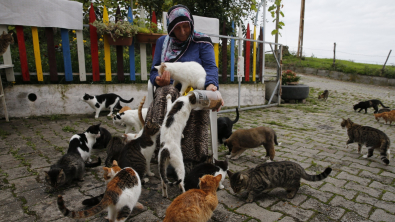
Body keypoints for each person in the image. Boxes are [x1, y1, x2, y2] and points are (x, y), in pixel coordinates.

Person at [146, 4, 221, 163]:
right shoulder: (162, 42)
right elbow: (154, 71)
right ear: (170, 28)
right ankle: (163, 151)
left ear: (191, 24)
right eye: (177, 28)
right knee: (167, 93)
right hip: (170, 88)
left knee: (196, 98)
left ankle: (189, 157)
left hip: (195, 86)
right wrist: (158, 80)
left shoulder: (202, 41)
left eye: (186, 26)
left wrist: (210, 85)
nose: (182, 32)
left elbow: (211, 68)